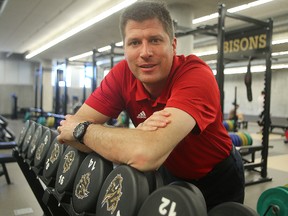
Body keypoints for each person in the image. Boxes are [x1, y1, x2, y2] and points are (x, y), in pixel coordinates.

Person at [57, 1, 245, 211]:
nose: (145, 52)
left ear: (173, 45)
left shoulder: (195, 75)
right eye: (135, 42)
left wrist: (84, 130)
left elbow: (145, 154)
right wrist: (140, 140)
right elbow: (68, 136)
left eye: (155, 40)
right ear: (125, 48)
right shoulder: (121, 75)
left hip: (217, 175)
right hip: (169, 171)